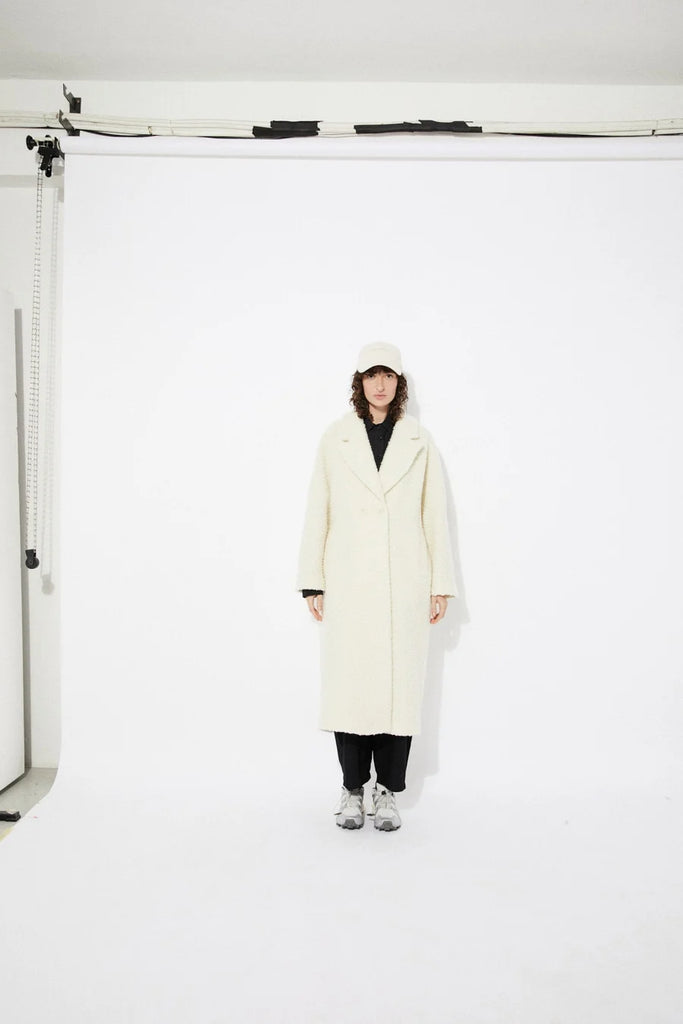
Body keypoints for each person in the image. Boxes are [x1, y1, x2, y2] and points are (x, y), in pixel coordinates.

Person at [296, 341, 458, 831]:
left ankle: (386, 791)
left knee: (399, 689)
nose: (380, 384)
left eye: (388, 375)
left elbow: (434, 514)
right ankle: (351, 790)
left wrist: (440, 583)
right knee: (350, 687)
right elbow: (318, 509)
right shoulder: (336, 438)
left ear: (399, 383)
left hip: (405, 579)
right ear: (360, 382)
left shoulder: (419, 440)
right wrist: (312, 581)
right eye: (372, 375)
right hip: (349, 580)